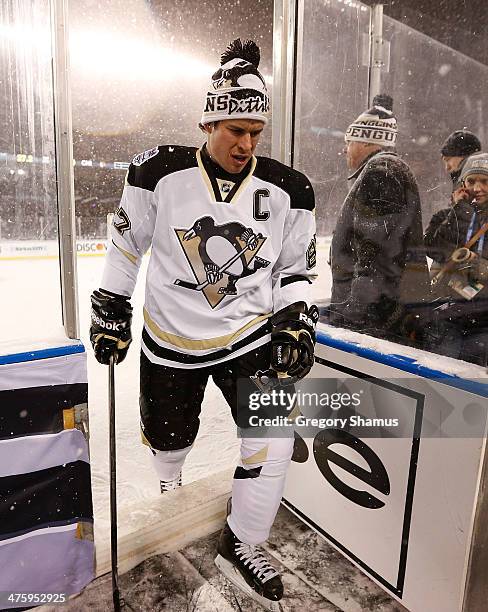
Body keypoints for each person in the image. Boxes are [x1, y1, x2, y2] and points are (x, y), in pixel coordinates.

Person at [89, 39, 318, 610]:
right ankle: (171, 506)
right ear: (208, 120)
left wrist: (294, 316)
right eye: (234, 129)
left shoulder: (291, 189)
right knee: (169, 442)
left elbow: (295, 269)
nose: (245, 143)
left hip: (249, 339)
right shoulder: (156, 173)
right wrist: (112, 304)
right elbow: (125, 247)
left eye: (255, 132)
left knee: (268, 439)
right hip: (171, 341)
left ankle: (245, 540)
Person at [328, 94, 430, 342]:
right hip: (384, 315)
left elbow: (375, 258)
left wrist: (351, 318)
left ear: (366, 141)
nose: (345, 149)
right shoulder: (389, 170)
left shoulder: (381, 174)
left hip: (373, 323)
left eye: (349, 141)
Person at [423, 153, 488, 366]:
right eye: (471, 181)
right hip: (445, 317)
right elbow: (432, 246)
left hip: (482, 324)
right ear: (462, 184)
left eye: (485, 182)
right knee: (436, 381)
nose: (477, 188)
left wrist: (477, 265)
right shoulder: (446, 216)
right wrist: (460, 209)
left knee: (470, 389)